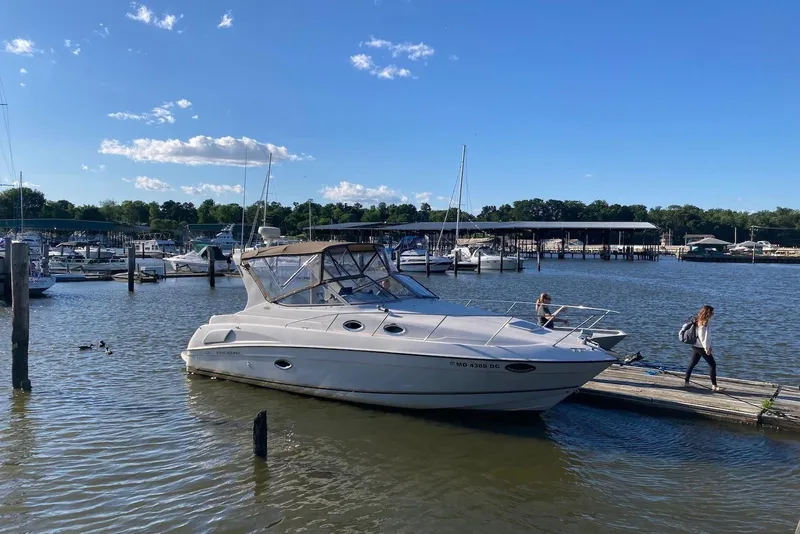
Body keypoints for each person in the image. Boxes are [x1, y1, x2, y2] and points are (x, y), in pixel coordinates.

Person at [684, 305, 723, 392]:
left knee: (692, 363)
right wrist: (707, 349)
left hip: (696, 346)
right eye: (712, 312)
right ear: (708, 313)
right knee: (713, 365)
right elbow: (703, 338)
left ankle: (686, 382)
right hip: (701, 347)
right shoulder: (703, 323)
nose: (713, 314)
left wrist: (709, 346)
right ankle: (714, 386)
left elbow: (705, 337)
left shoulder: (698, 320)